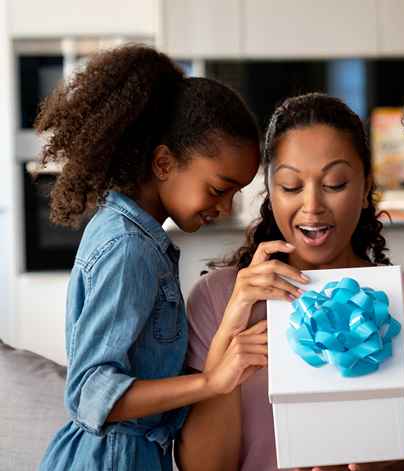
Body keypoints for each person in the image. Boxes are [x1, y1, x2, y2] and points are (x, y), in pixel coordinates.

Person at [178, 93, 404, 471]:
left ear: (365, 189)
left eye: (334, 183)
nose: (312, 206)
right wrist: (232, 324)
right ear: (270, 192)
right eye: (291, 186)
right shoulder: (217, 298)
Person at [38, 44, 267, 470]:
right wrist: (210, 383)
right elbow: (90, 392)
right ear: (163, 162)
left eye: (236, 193)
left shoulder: (135, 237)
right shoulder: (128, 248)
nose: (224, 208)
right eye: (219, 189)